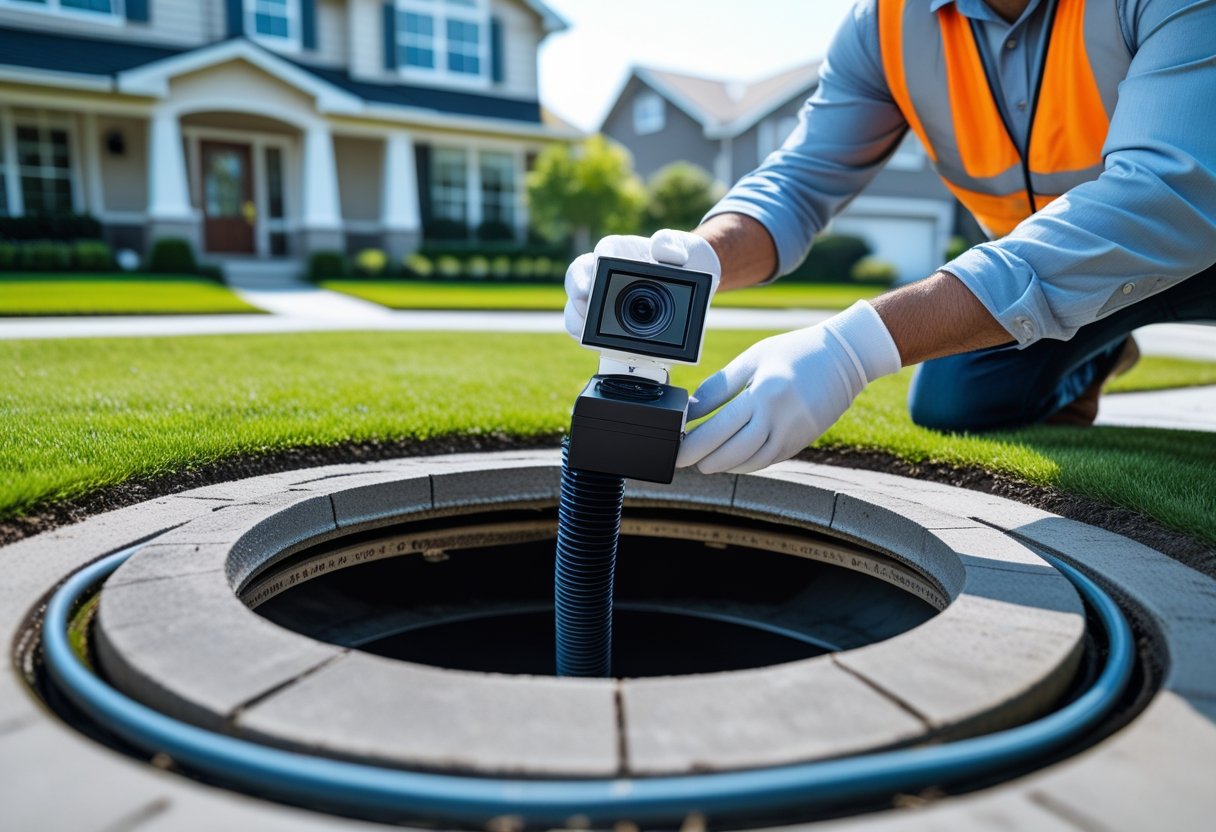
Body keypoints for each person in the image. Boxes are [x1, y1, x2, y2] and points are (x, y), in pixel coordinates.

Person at [563, 0, 1216, 475]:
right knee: (957, 400)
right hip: (1073, 270)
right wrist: (698, 255)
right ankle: (1100, 353)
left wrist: (858, 345)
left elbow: (1169, 195)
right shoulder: (883, 25)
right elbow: (798, 183)